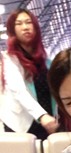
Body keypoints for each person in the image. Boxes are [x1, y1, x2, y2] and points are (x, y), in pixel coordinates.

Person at [0, 9, 58, 140]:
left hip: (48, 121)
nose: (25, 27)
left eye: (28, 22)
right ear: (12, 30)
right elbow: (18, 91)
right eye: (19, 23)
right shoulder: (8, 58)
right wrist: (41, 115)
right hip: (22, 124)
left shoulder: (45, 57)